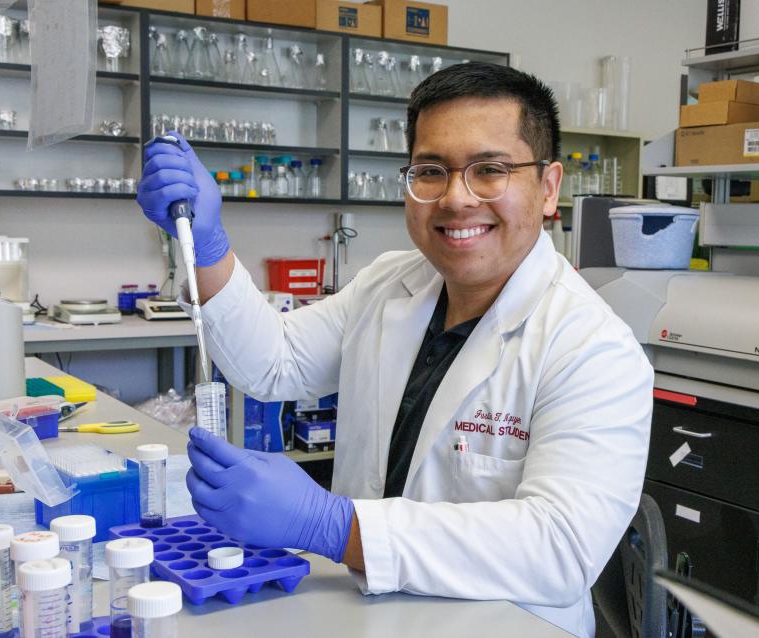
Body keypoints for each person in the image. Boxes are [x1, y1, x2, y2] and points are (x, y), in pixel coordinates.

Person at [136, 62, 653, 637]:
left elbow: (559, 548)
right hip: (361, 614)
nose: (456, 198)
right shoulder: (390, 284)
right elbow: (275, 363)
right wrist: (206, 244)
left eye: (490, 171)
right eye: (431, 172)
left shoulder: (593, 348)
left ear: (549, 187)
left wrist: (334, 527)